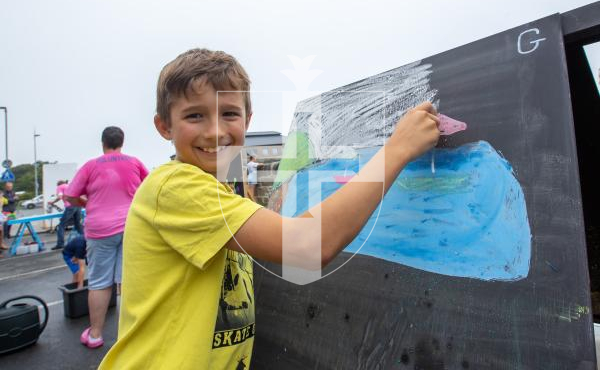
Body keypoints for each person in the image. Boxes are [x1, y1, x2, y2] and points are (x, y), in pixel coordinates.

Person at [99, 48, 439, 369]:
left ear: (247, 120)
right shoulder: (175, 186)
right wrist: (396, 151)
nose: (216, 131)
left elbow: (281, 232)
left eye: (228, 114)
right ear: (164, 127)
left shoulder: (218, 190)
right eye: (194, 116)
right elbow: (306, 245)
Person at [66, 126, 148, 349]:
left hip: (100, 230)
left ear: (103, 143)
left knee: (100, 282)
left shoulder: (91, 165)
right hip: (131, 227)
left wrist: (84, 203)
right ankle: (132, 336)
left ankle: (95, 335)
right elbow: (149, 188)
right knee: (129, 280)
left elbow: (70, 195)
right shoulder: (134, 163)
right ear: (122, 142)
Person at [50, 180, 84, 250]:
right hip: (78, 205)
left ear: (58, 184)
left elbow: (60, 197)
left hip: (70, 206)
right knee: (78, 224)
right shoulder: (70, 186)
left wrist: (52, 202)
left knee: (61, 225)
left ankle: (60, 244)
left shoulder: (60, 187)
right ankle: (86, 240)